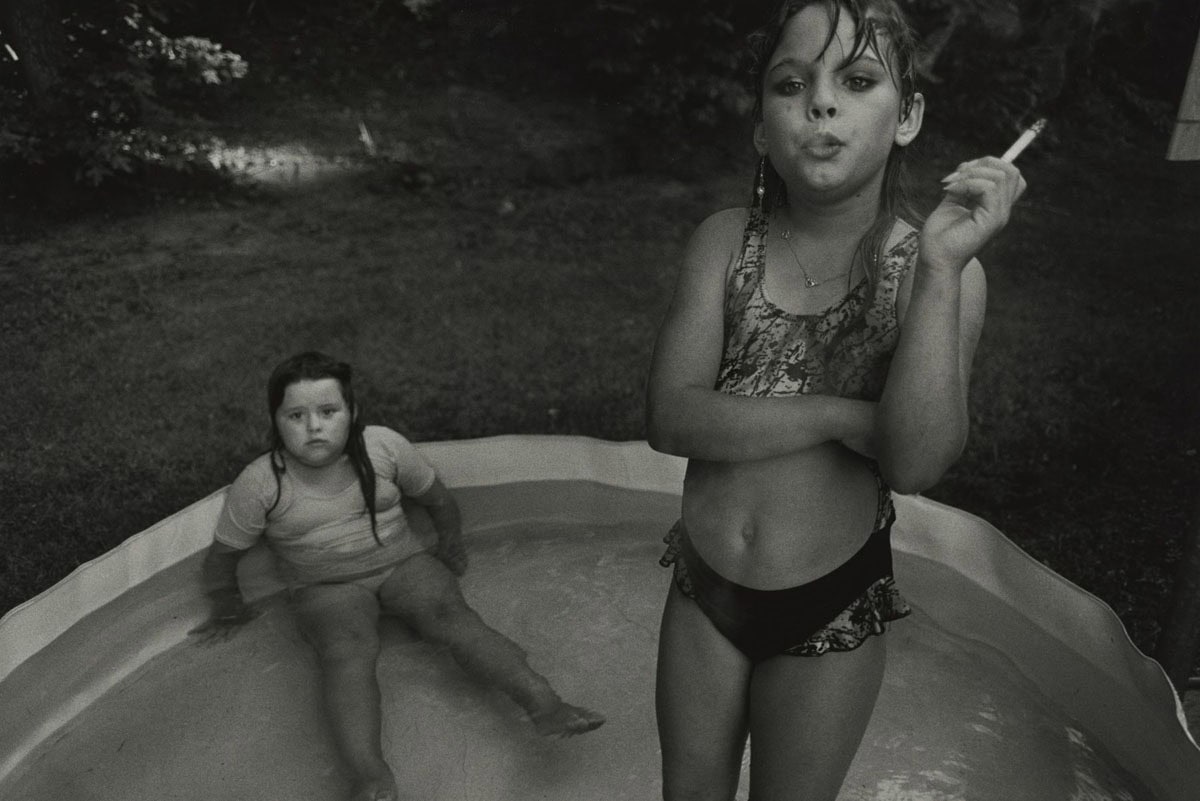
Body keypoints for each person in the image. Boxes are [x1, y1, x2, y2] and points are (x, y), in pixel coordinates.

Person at [645, 1, 1026, 799]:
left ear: (909, 115)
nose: (820, 103)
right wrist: (843, 415)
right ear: (760, 127)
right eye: (792, 84)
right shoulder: (724, 243)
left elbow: (916, 458)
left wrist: (942, 270)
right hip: (703, 587)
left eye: (856, 80)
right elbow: (671, 417)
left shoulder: (929, 272)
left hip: (829, 606)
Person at [193, 351, 604, 801]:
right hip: (325, 585)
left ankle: (544, 704)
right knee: (346, 650)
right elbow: (223, 557)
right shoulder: (261, 482)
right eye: (296, 415)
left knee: (453, 617)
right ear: (275, 421)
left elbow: (438, 500)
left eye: (328, 412)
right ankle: (370, 775)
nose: (314, 427)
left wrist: (449, 543)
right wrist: (226, 604)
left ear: (353, 413)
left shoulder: (384, 447)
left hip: (401, 563)